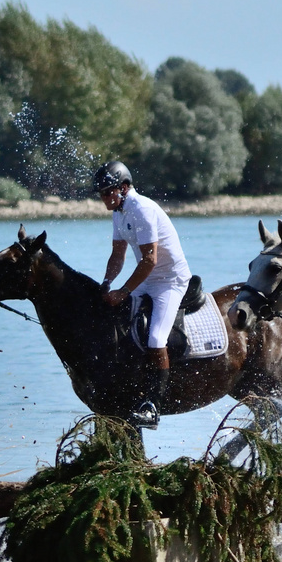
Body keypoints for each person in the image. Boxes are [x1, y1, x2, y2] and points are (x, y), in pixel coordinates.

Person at [94, 160, 192, 429]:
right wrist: (105, 283)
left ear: (123, 188)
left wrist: (124, 291)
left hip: (169, 281)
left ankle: (153, 408)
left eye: (107, 192)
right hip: (146, 279)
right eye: (100, 194)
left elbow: (149, 259)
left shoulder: (143, 209)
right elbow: (118, 254)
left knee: (155, 339)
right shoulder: (118, 212)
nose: (103, 199)